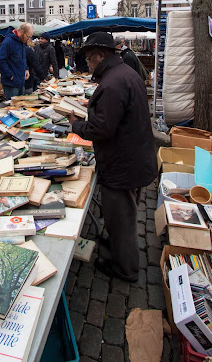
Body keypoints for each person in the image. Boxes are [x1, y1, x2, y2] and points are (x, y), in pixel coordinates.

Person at [68, 32, 157, 282]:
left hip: (122, 164)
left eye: (89, 58)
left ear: (100, 55)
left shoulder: (111, 83)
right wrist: (95, 106)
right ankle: (117, 249)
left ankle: (126, 269)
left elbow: (101, 129)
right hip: (134, 158)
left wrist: (76, 125)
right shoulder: (123, 73)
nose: (87, 63)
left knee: (123, 221)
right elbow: (118, 111)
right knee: (125, 214)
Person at [0, 22, 33, 100]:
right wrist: (10, 75)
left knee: (20, 107)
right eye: (28, 36)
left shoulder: (21, 42)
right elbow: (0, 61)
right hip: (11, 84)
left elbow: (22, 58)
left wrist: (26, 69)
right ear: (22, 32)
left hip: (20, 81)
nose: (28, 39)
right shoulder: (8, 42)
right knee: (12, 107)